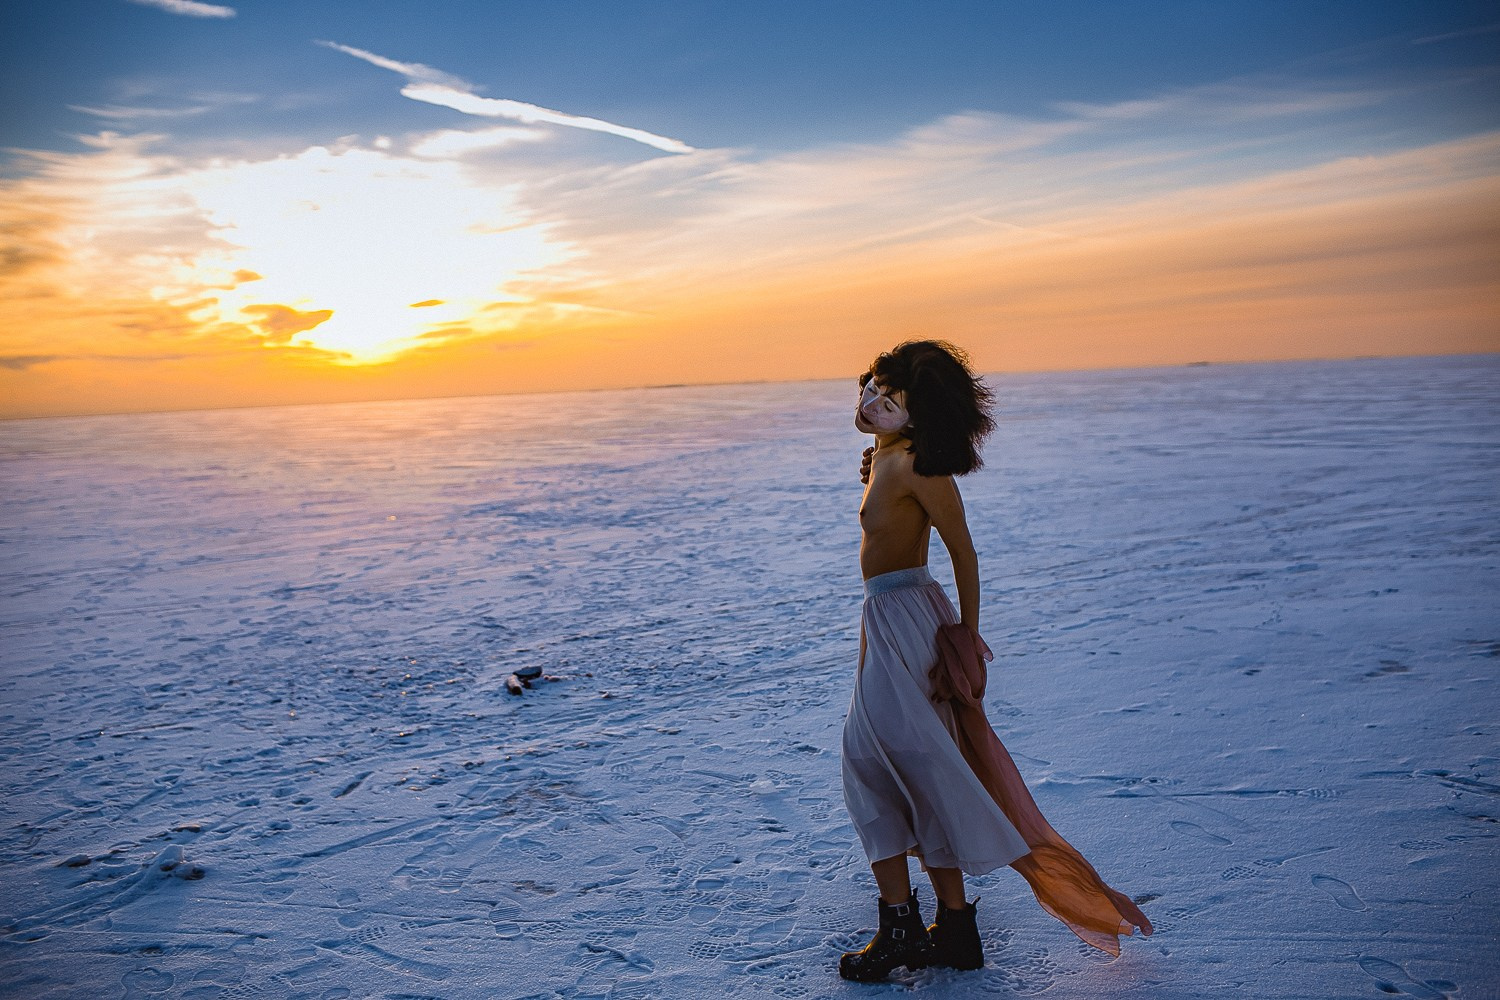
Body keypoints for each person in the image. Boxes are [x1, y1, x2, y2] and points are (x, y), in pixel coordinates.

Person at [838, 340, 1153, 982]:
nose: (871, 402)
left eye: (889, 400)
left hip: (910, 621)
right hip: (888, 617)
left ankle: (903, 927)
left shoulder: (918, 466)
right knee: (914, 764)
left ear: (919, 415)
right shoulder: (888, 458)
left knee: (874, 761)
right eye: (870, 387)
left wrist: (966, 640)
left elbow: (964, 553)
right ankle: (953, 930)